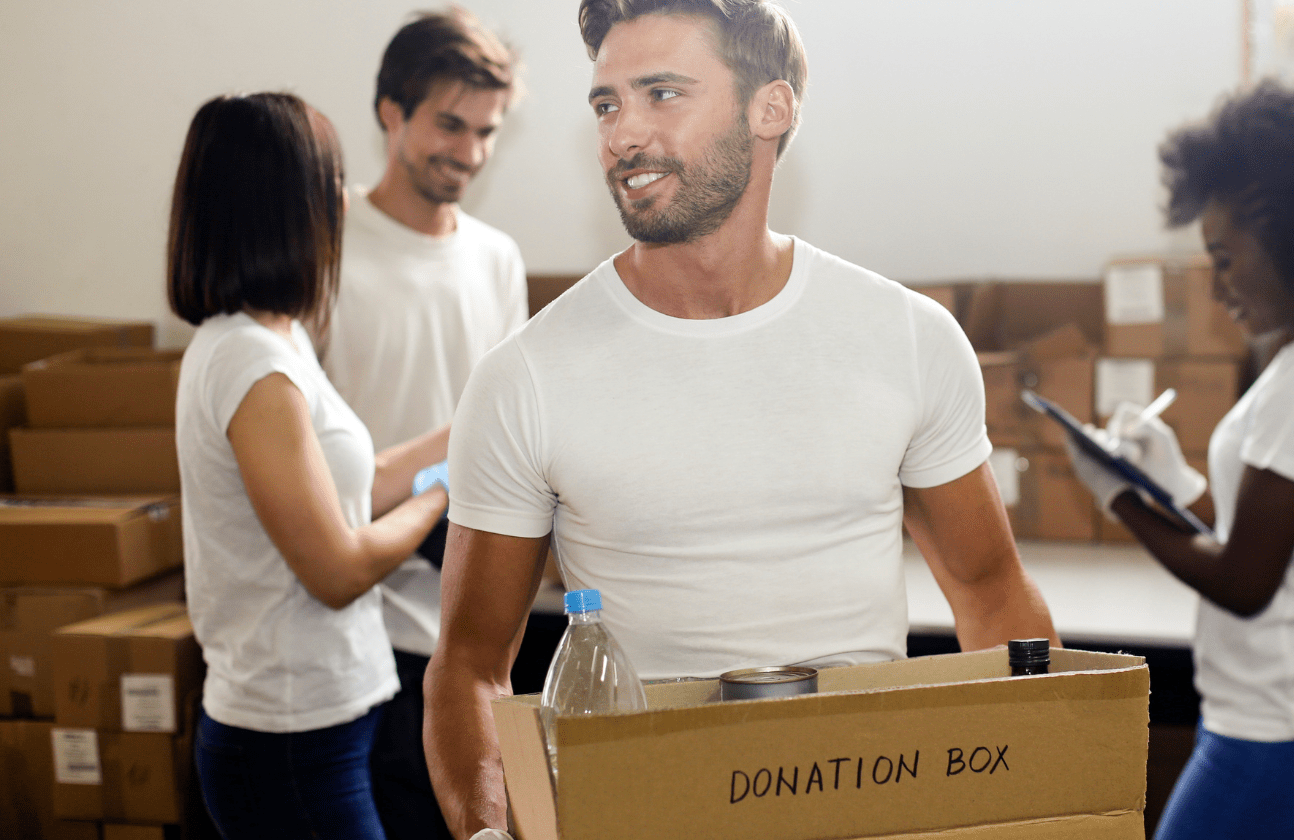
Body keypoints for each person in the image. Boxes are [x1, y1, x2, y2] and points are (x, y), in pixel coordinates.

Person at [422, 1, 1060, 835]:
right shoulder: (525, 378)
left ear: (771, 108)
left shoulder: (906, 338)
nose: (622, 134)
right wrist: (487, 832)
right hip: (643, 812)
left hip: (869, 806)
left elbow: (991, 597)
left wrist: (1053, 803)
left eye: (661, 94)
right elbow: (470, 663)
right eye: (607, 103)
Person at [1066, 79, 1294, 840]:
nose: (1218, 285)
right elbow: (1258, 527)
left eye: (1226, 258)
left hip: (1279, 728)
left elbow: (1243, 581)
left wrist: (1118, 499)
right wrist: (1168, 480)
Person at [168, 92, 450, 840]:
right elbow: (336, 569)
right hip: (287, 741)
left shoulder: (279, 336)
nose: (343, 203)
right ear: (282, 206)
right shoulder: (248, 364)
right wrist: (442, 494)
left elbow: (355, 485)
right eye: (328, 185)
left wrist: (467, 430)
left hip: (329, 721)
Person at [316, 9, 526, 839]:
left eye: (487, 131)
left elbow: (512, 443)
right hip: (355, 635)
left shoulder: (495, 257)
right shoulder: (321, 238)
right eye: (449, 123)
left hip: (477, 637)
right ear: (390, 111)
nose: (470, 152)